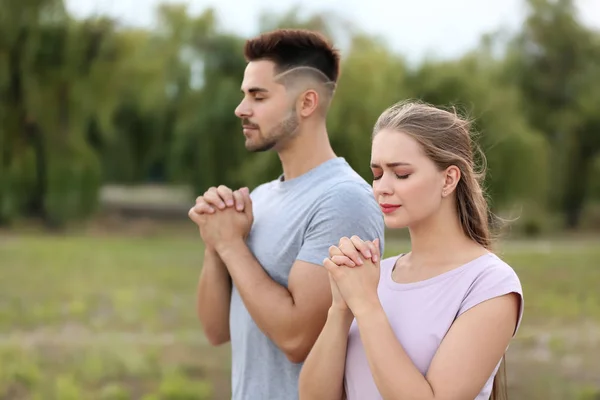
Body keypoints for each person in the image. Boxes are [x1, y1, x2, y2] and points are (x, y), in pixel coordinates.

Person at [188, 29, 385, 400]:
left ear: (307, 103)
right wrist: (215, 242)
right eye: (244, 95)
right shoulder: (261, 198)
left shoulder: (344, 200)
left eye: (258, 96)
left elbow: (297, 338)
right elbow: (216, 330)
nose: (241, 109)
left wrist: (231, 245)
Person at [298, 100, 524, 400]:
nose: (381, 188)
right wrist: (340, 309)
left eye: (401, 174)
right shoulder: (375, 275)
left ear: (449, 179)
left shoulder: (490, 284)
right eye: (377, 173)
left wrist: (366, 306)